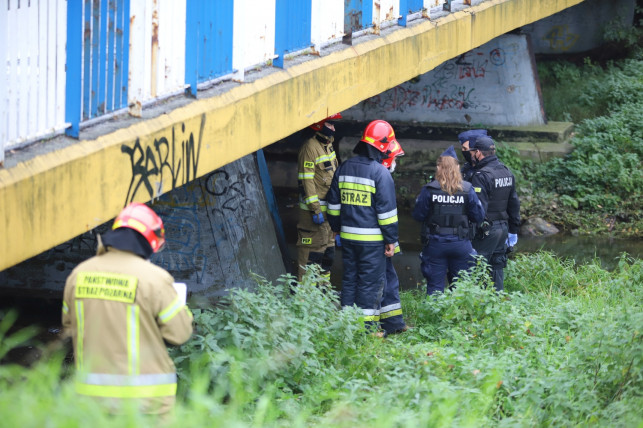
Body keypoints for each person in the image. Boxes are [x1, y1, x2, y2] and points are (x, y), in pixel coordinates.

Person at [62, 202, 194, 416]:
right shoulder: (155, 280)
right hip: (146, 405)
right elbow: (180, 334)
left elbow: (69, 328)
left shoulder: (78, 275)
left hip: (91, 404)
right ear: (150, 240)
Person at [327, 120, 399, 334]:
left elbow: (333, 204)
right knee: (369, 283)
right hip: (372, 242)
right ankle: (365, 330)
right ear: (383, 146)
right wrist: (391, 240)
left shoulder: (344, 167)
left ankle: (347, 325)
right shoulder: (380, 173)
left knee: (349, 279)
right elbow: (387, 214)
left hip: (348, 238)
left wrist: (336, 228)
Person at [412, 146, 485, 295]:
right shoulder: (467, 189)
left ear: (439, 167)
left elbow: (418, 215)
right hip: (461, 243)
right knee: (461, 288)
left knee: (434, 287)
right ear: (457, 168)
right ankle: (457, 317)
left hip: (435, 244)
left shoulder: (429, 189)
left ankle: (434, 317)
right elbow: (478, 216)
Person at [468, 136, 521, 291]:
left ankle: (478, 306)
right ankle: (497, 304)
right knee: (497, 269)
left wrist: (472, 230)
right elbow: (514, 203)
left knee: (477, 270)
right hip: (503, 229)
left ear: (478, 152)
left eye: (473, 152)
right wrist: (513, 229)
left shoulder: (481, 175)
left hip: (486, 231)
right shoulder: (506, 171)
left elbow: (479, 209)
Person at [296, 113, 342, 282]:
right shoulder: (310, 147)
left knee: (327, 257)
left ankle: (323, 297)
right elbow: (306, 181)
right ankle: (304, 300)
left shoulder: (328, 145)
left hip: (328, 217)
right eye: (330, 124)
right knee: (310, 257)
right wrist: (315, 209)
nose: (334, 128)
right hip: (313, 216)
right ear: (319, 125)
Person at [378, 140, 408, 335]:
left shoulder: (378, 175)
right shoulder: (381, 177)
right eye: (395, 158)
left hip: (378, 239)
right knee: (382, 280)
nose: (396, 161)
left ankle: (394, 323)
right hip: (379, 240)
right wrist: (391, 242)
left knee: (388, 278)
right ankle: (389, 324)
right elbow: (386, 213)